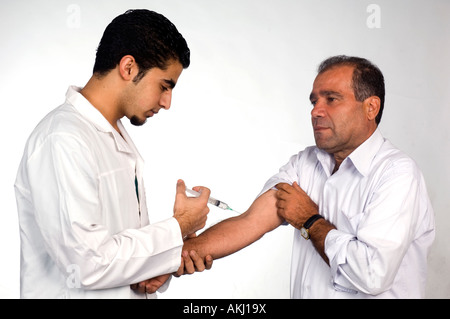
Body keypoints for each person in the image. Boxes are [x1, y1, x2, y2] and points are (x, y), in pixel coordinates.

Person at [141, 55, 436, 298]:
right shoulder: (306, 163)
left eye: (331, 99)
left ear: (370, 107)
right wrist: (170, 259)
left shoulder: (397, 174)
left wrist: (309, 221)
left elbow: (373, 274)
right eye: (314, 101)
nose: (316, 111)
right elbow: (250, 223)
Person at [14, 9, 212, 299]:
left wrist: (162, 261)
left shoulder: (110, 134)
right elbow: (86, 264)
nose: (167, 102)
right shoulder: (63, 139)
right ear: (129, 67)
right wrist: (177, 228)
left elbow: (121, 253)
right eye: (164, 86)